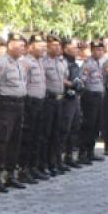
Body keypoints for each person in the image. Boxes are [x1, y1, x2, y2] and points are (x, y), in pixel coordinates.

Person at [0, 33, 28, 191]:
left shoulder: (19, 63)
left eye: (23, 46)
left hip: (18, 105)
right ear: (10, 45)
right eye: (20, 46)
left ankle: (10, 175)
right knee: (1, 141)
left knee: (14, 141)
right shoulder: (0, 62)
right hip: (5, 107)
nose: (22, 49)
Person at [19, 34, 48, 183]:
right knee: (28, 138)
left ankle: (33, 167)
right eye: (39, 46)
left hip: (40, 103)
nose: (43, 49)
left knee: (38, 137)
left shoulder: (40, 62)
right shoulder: (25, 63)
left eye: (44, 46)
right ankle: (23, 170)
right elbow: (23, 84)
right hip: (30, 103)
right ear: (30, 47)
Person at [38, 35, 66, 176]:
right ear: (47, 47)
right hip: (48, 101)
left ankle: (53, 162)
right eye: (54, 45)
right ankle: (42, 165)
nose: (57, 48)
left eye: (58, 45)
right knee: (45, 134)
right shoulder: (42, 62)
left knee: (56, 133)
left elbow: (63, 79)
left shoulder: (60, 62)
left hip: (59, 100)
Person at [77, 40, 106, 164]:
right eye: (97, 50)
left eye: (101, 50)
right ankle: (83, 153)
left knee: (96, 126)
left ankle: (91, 151)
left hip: (98, 97)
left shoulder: (98, 63)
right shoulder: (88, 64)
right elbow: (82, 81)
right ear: (92, 50)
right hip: (90, 97)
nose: (99, 52)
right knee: (88, 125)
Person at [60, 38, 84, 168]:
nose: (76, 50)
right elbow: (61, 79)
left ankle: (69, 156)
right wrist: (72, 85)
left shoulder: (75, 63)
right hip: (66, 99)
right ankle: (58, 158)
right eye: (73, 48)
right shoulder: (62, 62)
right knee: (64, 129)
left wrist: (79, 84)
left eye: (77, 48)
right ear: (65, 49)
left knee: (74, 128)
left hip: (75, 99)